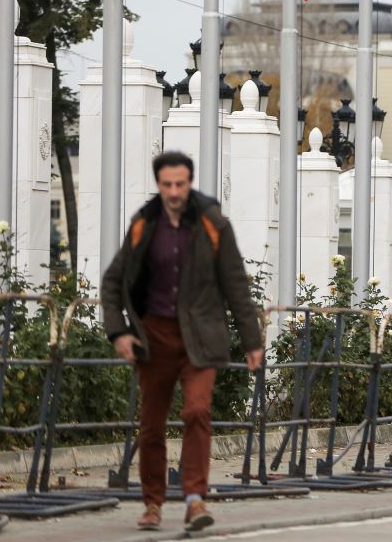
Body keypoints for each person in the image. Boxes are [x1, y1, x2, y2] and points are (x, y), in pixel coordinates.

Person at [101, 151, 264, 532]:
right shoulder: (144, 224)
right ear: (159, 185)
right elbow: (112, 282)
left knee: (197, 411)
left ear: (190, 183)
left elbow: (236, 284)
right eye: (167, 185)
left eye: (181, 184)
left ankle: (194, 499)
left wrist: (252, 341)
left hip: (201, 336)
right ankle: (153, 503)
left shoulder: (212, 224)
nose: (174, 192)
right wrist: (119, 331)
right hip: (153, 337)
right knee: (152, 424)